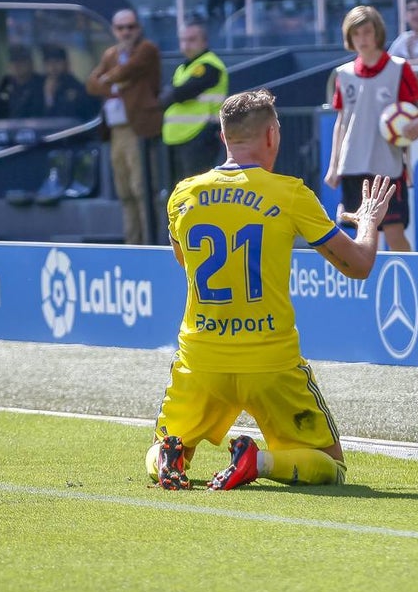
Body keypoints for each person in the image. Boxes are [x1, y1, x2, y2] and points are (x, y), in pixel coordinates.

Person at [149, 89, 398, 491]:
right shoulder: (289, 193)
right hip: (270, 361)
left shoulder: (183, 194)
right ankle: (257, 461)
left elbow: (185, 262)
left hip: (202, 359)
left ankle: (167, 456)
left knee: (163, 445)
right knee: (329, 465)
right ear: (271, 135)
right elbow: (360, 266)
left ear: (224, 138)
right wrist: (368, 221)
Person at [324, 6, 418, 252]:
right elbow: (342, 122)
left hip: (388, 164)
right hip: (353, 164)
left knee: (394, 233)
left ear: (378, 34)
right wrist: (334, 166)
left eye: (367, 32)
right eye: (356, 34)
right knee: (364, 236)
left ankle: (408, 281)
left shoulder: (398, 68)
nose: (362, 39)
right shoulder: (344, 74)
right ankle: (370, 287)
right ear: (349, 38)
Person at [86, 9, 163, 245]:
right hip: (116, 129)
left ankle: (150, 242)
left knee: (142, 189)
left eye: (130, 27)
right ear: (114, 30)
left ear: (138, 28)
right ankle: (133, 243)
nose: (126, 32)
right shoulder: (111, 54)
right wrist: (115, 85)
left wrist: (109, 80)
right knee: (125, 190)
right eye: (121, 28)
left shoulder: (147, 49)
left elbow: (128, 71)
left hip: (137, 127)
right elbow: (91, 84)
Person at [160, 21, 228, 185]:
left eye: (192, 40)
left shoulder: (209, 66)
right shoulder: (184, 68)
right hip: (178, 136)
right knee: (178, 191)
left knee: (196, 190)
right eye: (183, 40)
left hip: (199, 135)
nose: (186, 44)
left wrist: (167, 96)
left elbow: (181, 92)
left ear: (204, 41)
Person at [40, 45, 97, 119]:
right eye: (49, 63)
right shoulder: (39, 86)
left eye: (57, 62)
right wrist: (48, 97)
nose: (53, 67)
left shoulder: (76, 88)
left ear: (66, 63)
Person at [0, 44, 45, 119]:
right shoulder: (5, 83)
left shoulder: (41, 83)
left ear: (30, 63)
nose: (16, 65)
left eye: (21, 61)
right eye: (13, 61)